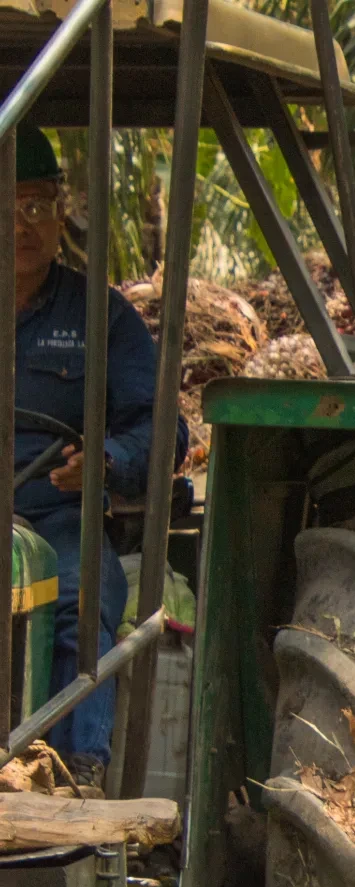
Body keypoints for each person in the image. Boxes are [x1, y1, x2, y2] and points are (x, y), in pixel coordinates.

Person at [11, 124, 188, 792]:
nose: (21, 225)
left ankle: (73, 774)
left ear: (62, 210)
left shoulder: (103, 319)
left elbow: (162, 429)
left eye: (34, 206)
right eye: (6, 208)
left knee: (83, 595)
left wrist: (106, 463)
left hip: (56, 515)